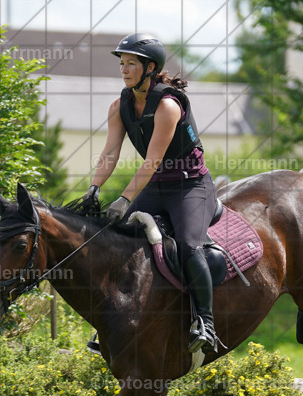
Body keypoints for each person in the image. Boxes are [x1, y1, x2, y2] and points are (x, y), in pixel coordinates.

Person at [78, 33, 220, 354]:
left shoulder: (167, 105)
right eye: (122, 64)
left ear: (150, 68)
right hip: (156, 186)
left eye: (131, 64)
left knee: (189, 246)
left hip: (190, 186)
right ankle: (110, 325)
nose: (124, 70)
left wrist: (125, 198)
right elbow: (109, 153)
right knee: (116, 241)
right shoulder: (120, 106)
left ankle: (206, 324)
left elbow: (153, 160)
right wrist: (94, 188)